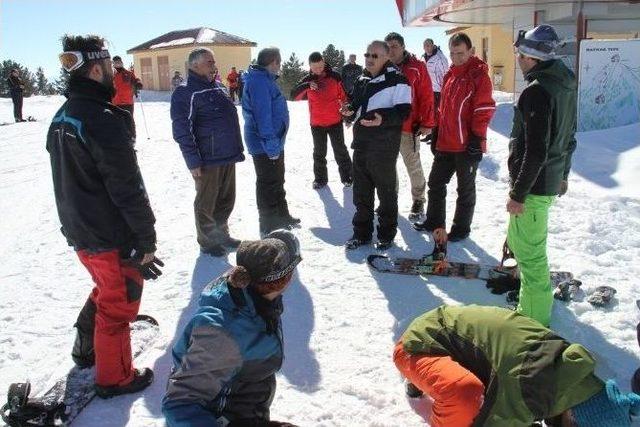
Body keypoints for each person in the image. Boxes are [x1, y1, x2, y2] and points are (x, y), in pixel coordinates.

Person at [48, 34, 162, 398]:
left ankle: (86, 348)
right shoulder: (102, 119)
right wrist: (145, 239)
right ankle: (115, 378)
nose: (115, 75)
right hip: (108, 235)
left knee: (106, 289)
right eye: (109, 67)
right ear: (97, 69)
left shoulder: (63, 115)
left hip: (82, 231)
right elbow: (128, 188)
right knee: (119, 304)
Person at [394, 304, 640, 427]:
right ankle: (422, 378)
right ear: (574, 419)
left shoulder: (568, 374)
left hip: (450, 337)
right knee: (464, 397)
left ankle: (430, 380)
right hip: (418, 345)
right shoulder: (531, 387)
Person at [162, 230, 301, 427]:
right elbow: (179, 405)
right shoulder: (223, 333)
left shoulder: (255, 297)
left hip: (244, 409)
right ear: (285, 279)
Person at [507, 24, 578, 327]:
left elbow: (536, 150)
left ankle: (532, 324)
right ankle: (531, 304)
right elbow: (569, 136)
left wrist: (518, 194)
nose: (518, 59)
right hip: (547, 182)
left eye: (521, 53)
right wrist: (563, 174)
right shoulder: (563, 85)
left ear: (532, 57)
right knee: (523, 243)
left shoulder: (537, 92)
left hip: (534, 188)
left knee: (531, 257)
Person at [413, 32, 495, 242]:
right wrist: (437, 131)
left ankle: (461, 228)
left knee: (465, 189)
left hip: (467, 145)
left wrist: (477, 139)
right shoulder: (450, 75)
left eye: (460, 53)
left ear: (471, 51)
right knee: (435, 183)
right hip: (446, 143)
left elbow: (483, 110)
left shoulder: (478, 76)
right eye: (452, 53)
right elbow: (443, 108)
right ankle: (434, 221)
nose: (456, 57)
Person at [170, 48, 245, 257]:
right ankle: (208, 241)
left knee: (226, 199)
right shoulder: (185, 92)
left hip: (228, 154)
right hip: (206, 159)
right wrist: (192, 160)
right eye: (209, 62)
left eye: (213, 62)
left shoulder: (219, 87)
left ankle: (222, 235)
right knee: (207, 202)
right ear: (195, 65)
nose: (214, 65)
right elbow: (181, 129)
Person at [341, 41, 411, 250]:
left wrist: (384, 119)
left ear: (386, 57)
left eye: (375, 55)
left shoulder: (398, 80)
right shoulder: (363, 79)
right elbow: (356, 105)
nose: (370, 59)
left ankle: (386, 235)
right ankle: (361, 233)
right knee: (361, 193)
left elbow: (404, 111)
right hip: (361, 143)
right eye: (367, 54)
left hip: (383, 146)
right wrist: (348, 111)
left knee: (386, 193)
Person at [242, 47, 299, 236]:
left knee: (277, 180)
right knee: (267, 183)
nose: (280, 66)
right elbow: (262, 116)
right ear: (273, 61)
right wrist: (271, 145)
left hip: (273, 141)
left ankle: (282, 215)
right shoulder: (259, 82)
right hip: (264, 144)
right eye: (279, 62)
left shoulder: (265, 79)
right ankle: (268, 223)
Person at [385, 32, 435, 220]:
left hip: (409, 127)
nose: (391, 50)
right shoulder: (383, 67)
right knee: (388, 167)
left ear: (403, 47)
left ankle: (419, 200)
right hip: (387, 128)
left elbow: (427, 96)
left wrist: (427, 123)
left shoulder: (416, 67)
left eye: (395, 46)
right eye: (388, 46)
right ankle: (390, 198)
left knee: (413, 165)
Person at [291, 51, 352, 189]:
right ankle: (320, 179)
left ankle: (348, 176)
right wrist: (307, 85)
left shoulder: (335, 77)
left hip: (335, 121)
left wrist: (347, 116)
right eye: (315, 68)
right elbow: (294, 96)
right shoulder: (307, 80)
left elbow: (344, 97)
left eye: (320, 66)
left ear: (323, 62)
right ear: (310, 66)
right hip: (317, 124)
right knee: (319, 153)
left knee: (340, 150)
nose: (318, 70)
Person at [422, 38, 449, 143]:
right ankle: (430, 135)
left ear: (433, 45)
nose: (427, 47)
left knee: (438, 114)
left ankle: (437, 137)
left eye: (428, 45)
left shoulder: (440, 57)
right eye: (425, 45)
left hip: (438, 89)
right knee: (430, 113)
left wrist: (444, 88)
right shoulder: (423, 58)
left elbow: (445, 73)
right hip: (428, 89)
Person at [111, 55, 142, 138]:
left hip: (127, 102)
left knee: (129, 121)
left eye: (119, 62)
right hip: (115, 103)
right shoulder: (111, 76)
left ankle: (132, 138)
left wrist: (138, 83)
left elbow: (136, 80)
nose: (118, 64)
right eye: (115, 63)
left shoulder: (128, 74)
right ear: (113, 64)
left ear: (122, 63)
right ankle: (121, 139)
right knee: (118, 121)